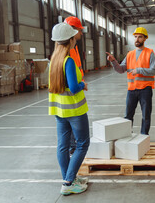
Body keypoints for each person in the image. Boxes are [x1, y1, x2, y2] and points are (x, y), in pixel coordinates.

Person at [49, 22, 90, 196]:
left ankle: (69, 178)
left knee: (63, 146)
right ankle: (68, 182)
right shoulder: (69, 61)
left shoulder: (54, 60)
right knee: (82, 144)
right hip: (74, 111)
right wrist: (83, 84)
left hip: (59, 111)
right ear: (71, 39)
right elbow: (73, 87)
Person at [106, 27, 155, 135]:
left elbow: (154, 71)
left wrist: (138, 70)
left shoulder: (150, 53)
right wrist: (114, 61)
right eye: (135, 37)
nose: (137, 39)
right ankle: (127, 137)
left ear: (145, 39)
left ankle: (143, 137)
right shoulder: (130, 54)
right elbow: (121, 70)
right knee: (128, 116)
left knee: (146, 116)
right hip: (132, 90)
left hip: (145, 89)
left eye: (140, 37)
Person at [64, 16, 84, 155]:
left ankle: (72, 145)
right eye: (79, 30)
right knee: (72, 123)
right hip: (71, 92)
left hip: (74, 89)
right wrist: (81, 84)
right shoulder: (67, 50)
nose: (81, 33)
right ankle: (72, 146)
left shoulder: (74, 47)